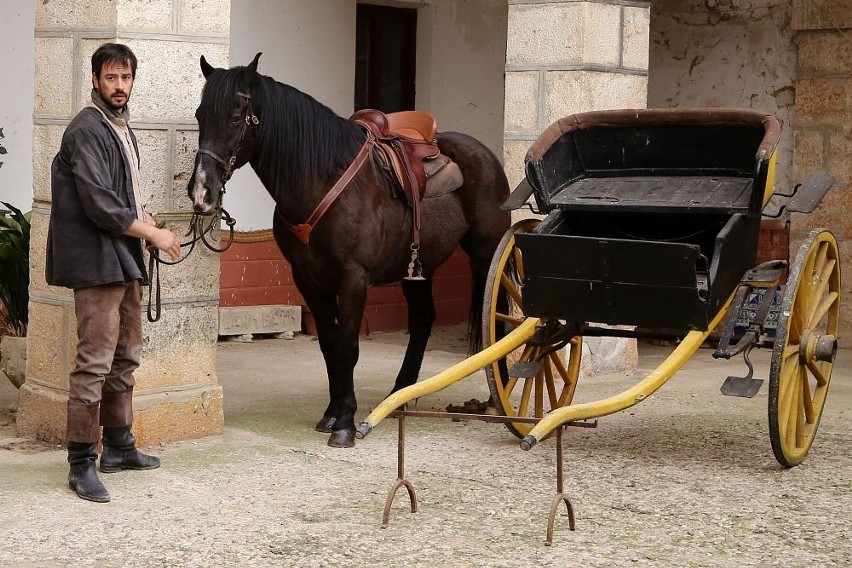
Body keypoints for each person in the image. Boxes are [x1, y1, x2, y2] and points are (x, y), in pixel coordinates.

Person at [46, 43, 182, 503]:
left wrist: (149, 229)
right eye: (111, 78)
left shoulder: (121, 128)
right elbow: (101, 206)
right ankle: (81, 461)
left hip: (123, 256)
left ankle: (119, 445)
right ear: (95, 80)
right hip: (96, 261)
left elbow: (126, 196)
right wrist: (155, 235)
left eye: (125, 78)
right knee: (94, 362)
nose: (119, 87)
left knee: (125, 354)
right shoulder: (86, 130)